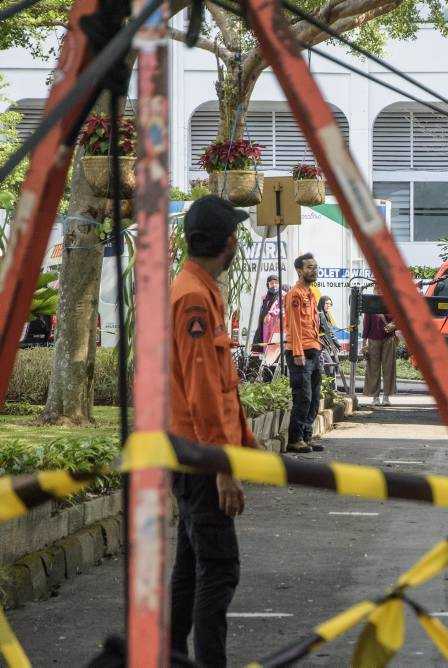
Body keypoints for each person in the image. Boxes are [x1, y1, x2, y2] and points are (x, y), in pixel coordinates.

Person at [169, 195, 258, 666]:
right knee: (219, 570)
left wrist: (246, 441)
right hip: (200, 458)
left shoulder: (199, 287)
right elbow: (203, 391)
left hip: (192, 453)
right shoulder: (193, 298)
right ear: (228, 243)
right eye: (237, 236)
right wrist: (224, 467)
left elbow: (221, 385)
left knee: (190, 567)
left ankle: (168, 655)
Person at [285, 253, 324, 454]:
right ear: (299, 270)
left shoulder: (310, 293)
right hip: (300, 353)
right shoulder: (295, 294)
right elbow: (293, 326)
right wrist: (298, 353)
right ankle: (295, 439)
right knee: (303, 397)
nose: (313, 270)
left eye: (315, 267)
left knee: (315, 397)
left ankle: (306, 437)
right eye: (309, 267)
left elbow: (313, 325)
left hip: (314, 350)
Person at [362, 306, 397, 406]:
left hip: (389, 338)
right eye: (377, 289)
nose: (379, 291)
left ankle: (386, 396)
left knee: (389, 367)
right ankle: (375, 397)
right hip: (373, 339)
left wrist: (394, 324)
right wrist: (364, 343)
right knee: (373, 368)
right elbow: (366, 324)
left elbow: (399, 318)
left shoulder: (391, 302)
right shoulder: (371, 303)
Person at [318, 295, 349, 391]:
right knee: (329, 365)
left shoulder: (325, 314)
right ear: (322, 304)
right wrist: (337, 344)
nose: (328, 306)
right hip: (320, 345)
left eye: (330, 304)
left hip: (324, 344)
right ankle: (330, 389)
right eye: (326, 303)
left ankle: (331, 389)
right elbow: (329, 332)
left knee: (330, 366)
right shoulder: (321, 314)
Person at [253, 275, 280, 347]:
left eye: (276, 283)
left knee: (274, 348)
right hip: (265, 327)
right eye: (271, 283)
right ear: (268, 285)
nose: (274, 285)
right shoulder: (265, 297)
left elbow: (282, 309)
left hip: (276, 327)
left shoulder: (282, 295)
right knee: (265, 346)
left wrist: (270, 314)